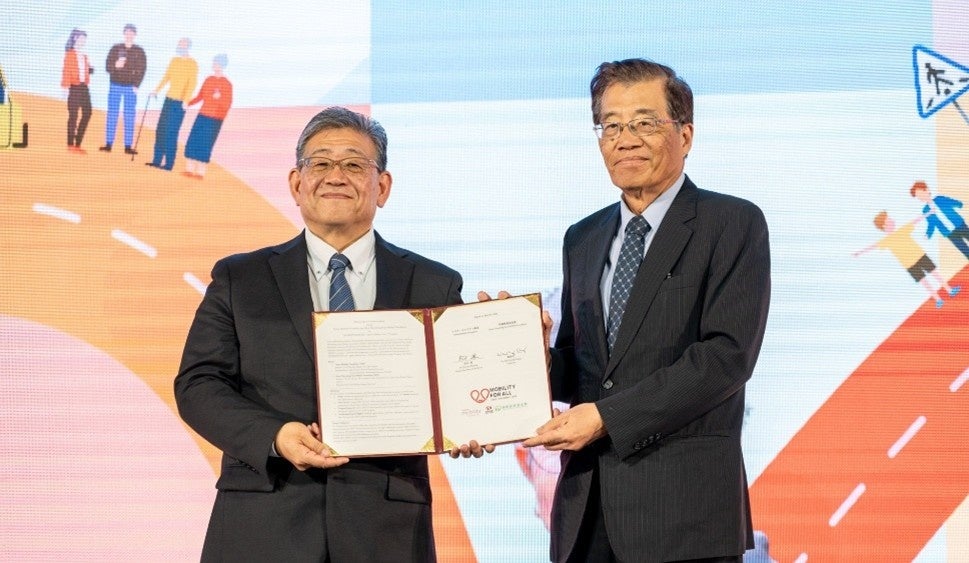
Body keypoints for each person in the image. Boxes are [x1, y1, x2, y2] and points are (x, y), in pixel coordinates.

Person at [175, 107, 483, 562]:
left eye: (354, 164)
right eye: (320, 162)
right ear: (296, 184)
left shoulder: (433, 284)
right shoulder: (240, 278)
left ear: (383, 187)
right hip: (263, 523)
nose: (335, 176)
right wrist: (276, 436)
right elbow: (198, 385)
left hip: (387, 530)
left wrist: (475, 419)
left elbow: (461, 389)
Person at [522, 58, 771, 562]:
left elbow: (725, 358)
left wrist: (605, 418)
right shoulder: (582, 238)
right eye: (611, 125)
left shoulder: (732, 223)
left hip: (683, 516)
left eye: (644, 123)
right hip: (586, 515)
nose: (625, 139)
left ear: (685, 134)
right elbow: (585, 369)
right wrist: (528, 356)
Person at [853, 210, 959, 308]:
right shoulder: (886, 240)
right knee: (925, 282)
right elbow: (873, 246)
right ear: (884, 225)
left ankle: (949, 290)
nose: (892, 221)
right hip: (909, 265)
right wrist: (859, 253)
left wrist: (929, 213)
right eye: (889, 220)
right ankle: (938, 299)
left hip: (921, 256)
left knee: (935, 274)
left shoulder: (902, 230)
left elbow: (915, 221)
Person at [147, 37, 198, 170]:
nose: (180, 46)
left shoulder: (192, 63)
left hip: (179, 103)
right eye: (179, 44)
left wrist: (186, 100)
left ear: (188, 46)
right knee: (161, 130)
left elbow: (192, 84)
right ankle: (156, 161)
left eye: (183, 44)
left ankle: (169, 164)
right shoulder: (174, 60)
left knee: (171, 133)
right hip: (168, 100)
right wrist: (156, 90)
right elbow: (166, 77)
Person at [182, 53, 232, 179]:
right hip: (202, 115)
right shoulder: (208, 79)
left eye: (217, 63)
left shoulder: (227, 84)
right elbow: (200, 96)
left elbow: (227, 105)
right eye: (214, 62)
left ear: (222, 65)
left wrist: (219, 99)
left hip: (215, 119)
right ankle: (189, 169)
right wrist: (188, 103)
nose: (214, 65)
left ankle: (200, 172)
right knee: (193, 141)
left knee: (206, 144)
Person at [100, 23, 146, 155]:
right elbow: (107, 67)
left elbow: (142, 69)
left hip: (130, 87)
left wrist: (137, 85)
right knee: (112, 114)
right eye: (127, 32)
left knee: (129, 116)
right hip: (115, 85)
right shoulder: (115, 48)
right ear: (123, 33)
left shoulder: (139, 51)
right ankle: (108, 144)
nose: (129, 34)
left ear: (135, 34)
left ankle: (128, 146)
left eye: (132, 32)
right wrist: (115, 65)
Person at [910, 180, 969, 260]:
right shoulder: (925, 210)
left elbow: (953, 202)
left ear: (927, 190)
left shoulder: (940, 199)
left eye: (920, 194)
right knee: (964, 250)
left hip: (960, 225)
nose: (920, 197)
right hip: (949, 233)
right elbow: (931, 224)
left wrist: (960, 204)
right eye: (918, 196)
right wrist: (928, 234)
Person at [61, 28, 93, 154]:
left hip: (84, 87)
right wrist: (65, 88)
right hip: (74, 88)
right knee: (73, 116)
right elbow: (66, 71)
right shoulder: (70, 54)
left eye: (84, 39)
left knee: (88, 112)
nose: (83, 41)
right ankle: (70, 144)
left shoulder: (84, 56)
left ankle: (78, 143)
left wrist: (90, 68)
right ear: (75, 38)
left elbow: (85, 71)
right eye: (81, 38)